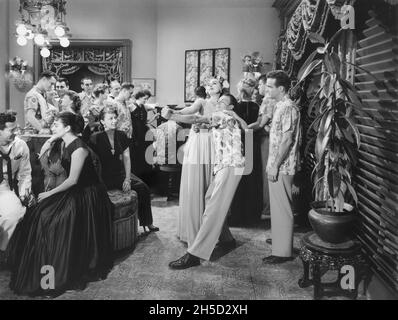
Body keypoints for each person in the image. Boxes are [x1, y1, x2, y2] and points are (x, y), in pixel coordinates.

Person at [8, 112, 114, 296]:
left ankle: (51, 277)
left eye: (57, 124)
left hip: (88, 195)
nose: (53, 126)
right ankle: (43, 274)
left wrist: (49, 193)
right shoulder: (64, 141)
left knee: (52, 220)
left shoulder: (79, 148)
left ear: (67, 128)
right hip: (75, 191)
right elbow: (46, 154)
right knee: (38, 214)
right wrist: (53, 137)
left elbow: (73, 180)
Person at [166, 94, 247, 269]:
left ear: (231, 108)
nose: (218, 103)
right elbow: (203, 123)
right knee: (210, 200)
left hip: (230, 166)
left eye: (223, 102)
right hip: (225, 166)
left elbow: (195, 117)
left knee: (212, 208)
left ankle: (195, 254)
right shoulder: (226, 118)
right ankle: (227, 239)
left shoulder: (223, 115)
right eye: (218, 101)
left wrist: (172, 115)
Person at [164, 80, 223, 248]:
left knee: (210, 183)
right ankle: (194, 230)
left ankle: (210, 230)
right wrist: (174, 112)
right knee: (196, 182)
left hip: (213, 142)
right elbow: (189, 111)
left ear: (221, 87)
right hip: (200, 141)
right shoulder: (202, 101)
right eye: (208, 84)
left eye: (214, 83)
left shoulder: (224, 102)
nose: (210, 85)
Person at [89, 106, 158, 234]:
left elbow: (127, 158)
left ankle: (147, 222)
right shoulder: (95, 137)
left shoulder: (121, 135)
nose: (114, 121)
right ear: (102, 121)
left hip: (120, 174)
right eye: (110, 118)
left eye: (115, 118)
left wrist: (127, 179)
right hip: (103, 176)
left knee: (143, 188)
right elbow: (92, 163)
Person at [262, 70, 301, 264]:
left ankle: (282, 252)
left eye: (270, 86)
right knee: (278, 208)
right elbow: (280, 134)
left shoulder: (287, 107)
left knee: (282, 208)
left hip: (283, 166)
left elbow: (287, 141)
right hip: (278, 164)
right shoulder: (280, 105)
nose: (267, 89)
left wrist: (275, 165)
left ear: (281, 88)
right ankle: (280, 242)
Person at [0, 112, 32, 261]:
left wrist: (24, 193)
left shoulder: (20, 145)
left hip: (5, 188)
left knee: (14, 213)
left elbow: (25, 173)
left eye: (16, 129)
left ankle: (1, 251)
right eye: (11, 130)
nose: (16, 133)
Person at [230, 78, 262, 226]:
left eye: (248, 86)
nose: (244, 89)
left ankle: (250, 215)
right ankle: (238, 215)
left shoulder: (257, 106)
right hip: (239, 143)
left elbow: (258, 125)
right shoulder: (234, 106)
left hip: (251, 142)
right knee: (239, 176)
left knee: (250, 176)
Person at [249, 74, 276, 219]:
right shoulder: (267, 100)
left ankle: (268, 209)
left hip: (267, 139)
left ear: (266, 85)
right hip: (266, 137)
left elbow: (261, 123)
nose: (258, 87)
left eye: (260, 85)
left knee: (266, 173)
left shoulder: (268, 100)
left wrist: (243, 128)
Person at [130, 90, 156, 181]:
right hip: (136, 134)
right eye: (145, 98)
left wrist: (153, 118)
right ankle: (137, 179)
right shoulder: (132, 106)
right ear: (139, 97)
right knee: (137, 157)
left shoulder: (143, 107)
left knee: (145, 157)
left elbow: (144, 122)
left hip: (143, 133)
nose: (146, 100)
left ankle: (145, 180)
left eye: (147, 99)